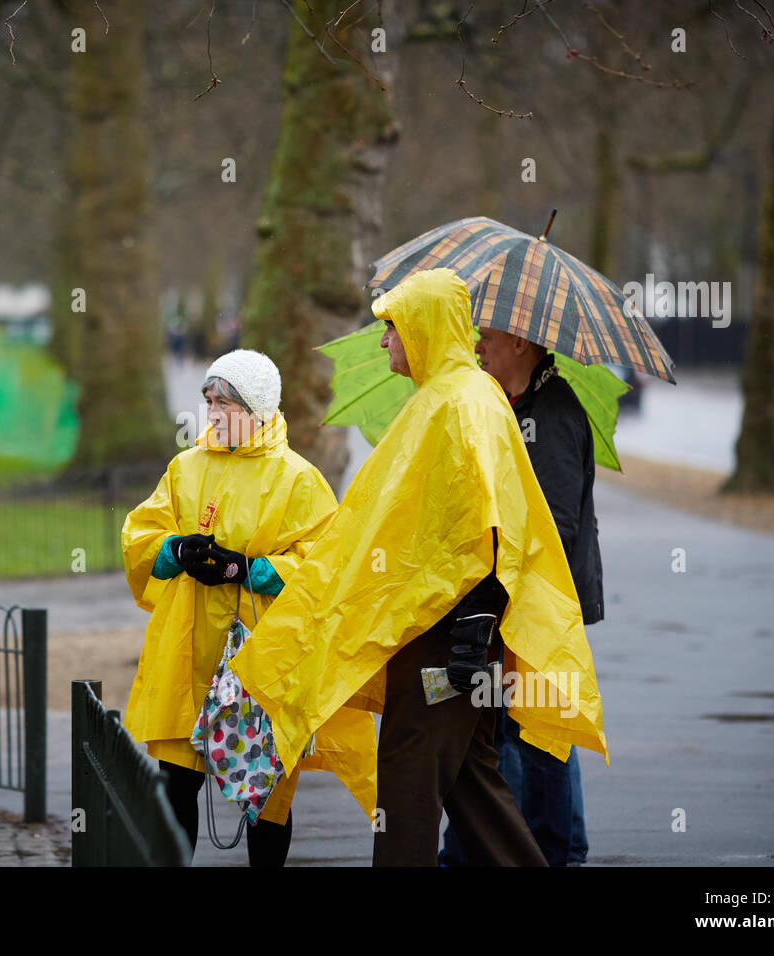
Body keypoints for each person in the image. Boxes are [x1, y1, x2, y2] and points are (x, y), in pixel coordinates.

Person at [231, 268, 607, 867]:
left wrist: (475, 619)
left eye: (392, 328)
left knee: (407, 791)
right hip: (440, 633)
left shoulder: (460, 403)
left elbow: (489, 523)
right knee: (472, 788)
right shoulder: (453, 398)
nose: (384, 341)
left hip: (443, 636)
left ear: (424, 326)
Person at [120, 348, 378, 867]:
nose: (211, 412)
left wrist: (249, 570)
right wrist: (176, 551)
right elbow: (142, 534)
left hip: (263, 658)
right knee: (174, 785)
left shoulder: (298, 480)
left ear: (255, 408)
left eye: (223, 403)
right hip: (187, 653)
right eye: (208, 400)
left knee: (266, 802)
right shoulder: (186, 466)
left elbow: (327, 566)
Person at [440, 328, 604, 867]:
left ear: (521, 344)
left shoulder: (552, 413)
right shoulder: (506, 401)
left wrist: (502, 579)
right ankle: (518, 847)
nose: (478, 344)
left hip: (540, 600)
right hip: (509, 595)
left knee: (542, 732)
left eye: (488, 336)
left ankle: (559, 855)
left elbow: (557, 524)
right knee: (519, 728)